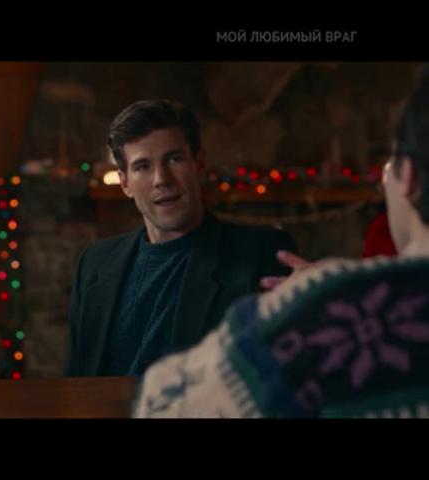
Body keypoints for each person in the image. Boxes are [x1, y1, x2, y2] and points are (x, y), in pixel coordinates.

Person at [133, 80, 429, 418]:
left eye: (390, 168)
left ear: (409, 178)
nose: (161, 179)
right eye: (143, 166)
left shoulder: (327, 311)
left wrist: (325, 293)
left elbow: (162, 403)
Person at [66, 99, 295, 378]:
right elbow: (74, 381)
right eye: (143, 167)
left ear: (199, 164)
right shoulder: (94, 263)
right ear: (125, 183)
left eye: (174, 159)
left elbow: (286, 374)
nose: (162, 179)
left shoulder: (260, 253)